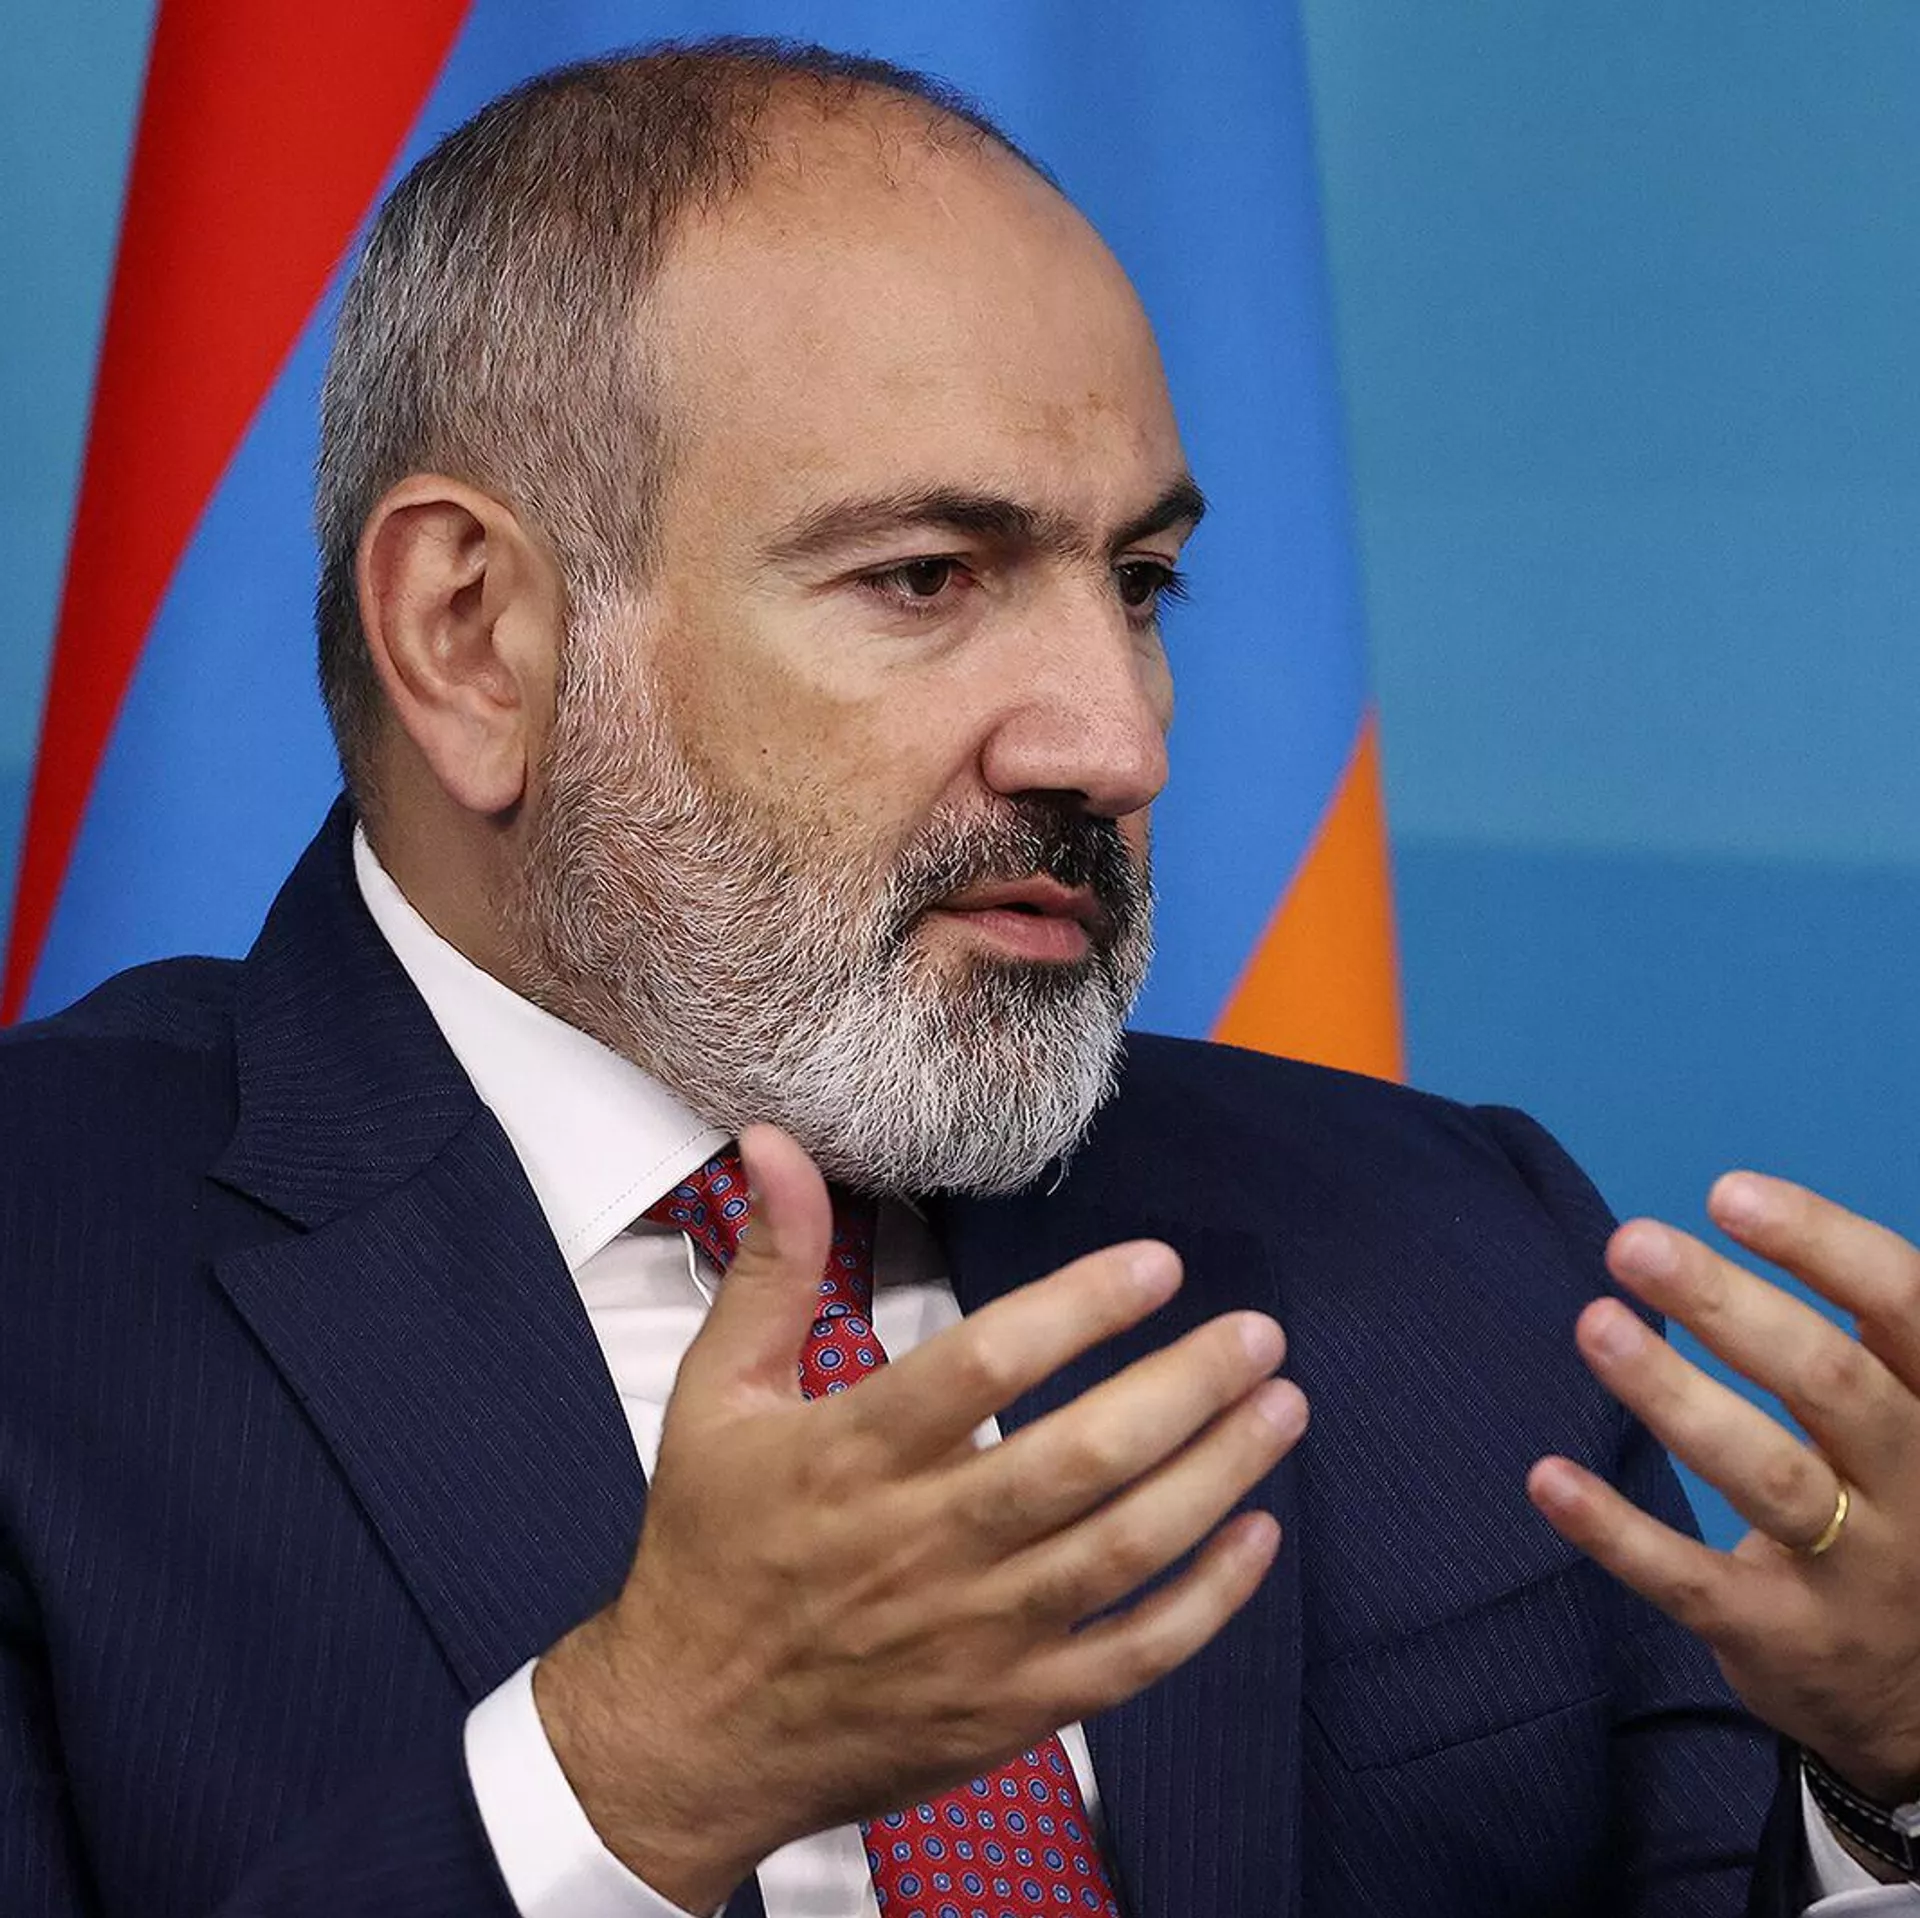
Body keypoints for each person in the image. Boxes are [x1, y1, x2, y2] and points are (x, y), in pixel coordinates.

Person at [2, 38, 1916, 1918]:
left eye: (1140, 585)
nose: (1116, 741)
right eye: (927, 576)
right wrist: (632, 1779)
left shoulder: (1459, 1249)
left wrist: (1887, 1790)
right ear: (474, 634)